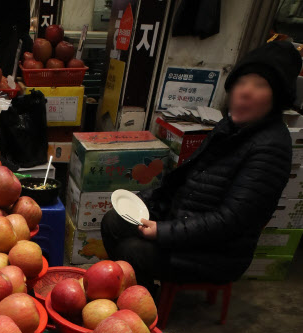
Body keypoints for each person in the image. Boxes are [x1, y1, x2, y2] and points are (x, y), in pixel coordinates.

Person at [100, 40, 302, 291]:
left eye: (259, 85)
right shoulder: (228, 127)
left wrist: (163, 232)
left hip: (217, 251)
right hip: (185, 222)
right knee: (114, 221)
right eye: (241, 82)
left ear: (277, 98)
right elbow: (185, 180)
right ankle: (133, 287)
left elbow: (229, 222)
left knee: (132, 250)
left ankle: (143, 303)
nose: (245, 91)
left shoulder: (271, 148)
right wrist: (145, 201)